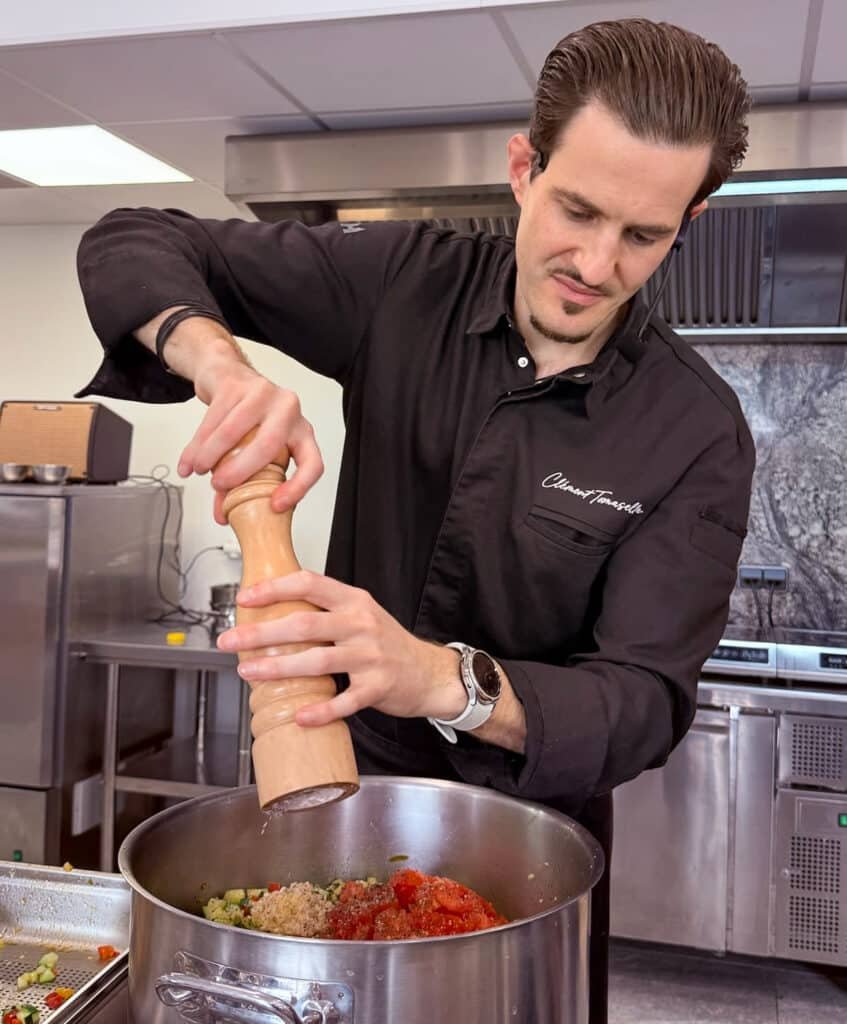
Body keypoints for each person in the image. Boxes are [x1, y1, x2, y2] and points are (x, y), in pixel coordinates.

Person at [75, 18, 755, 1023]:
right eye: (577, 209)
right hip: (338, 802)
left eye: (642, 235)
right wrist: (221, 370)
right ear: (524, 166)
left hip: (528, 852)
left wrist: (442, 676)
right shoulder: (405, 282)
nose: (596, 263)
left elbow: (644, 701)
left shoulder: (694, 428)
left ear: (685, 221)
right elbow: (136, 236)